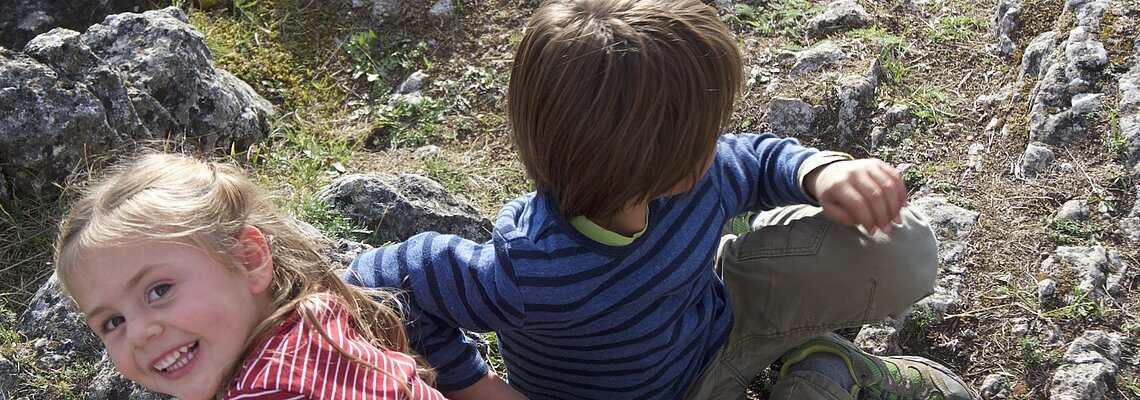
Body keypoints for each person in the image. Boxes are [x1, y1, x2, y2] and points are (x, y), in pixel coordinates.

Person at [346, 0, 979, 398]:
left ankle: (809, 346)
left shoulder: (695, 176)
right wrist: (475, 385)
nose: (718, 139)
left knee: (905, 251)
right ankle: (827, 368)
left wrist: (823, 173)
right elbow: (376, 279)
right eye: (706, 129)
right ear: (658, 165)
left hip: (724, 323)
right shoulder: (527, 271)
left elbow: (755, 158)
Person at [54, 153, 448, 400]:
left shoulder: (273, 389)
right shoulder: (315, 313)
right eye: (113, 322)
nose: (139, 333)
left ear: (250, 259)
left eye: (158, 290)